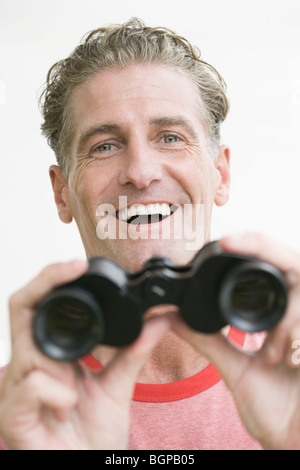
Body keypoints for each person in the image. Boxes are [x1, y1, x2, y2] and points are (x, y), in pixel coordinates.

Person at [0, 18, 300, 451]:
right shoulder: (19, 415)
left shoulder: (292, 377)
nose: (140, 172)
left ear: (220, 175)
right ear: (62, 192)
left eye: (171, 137)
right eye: (104, 145)